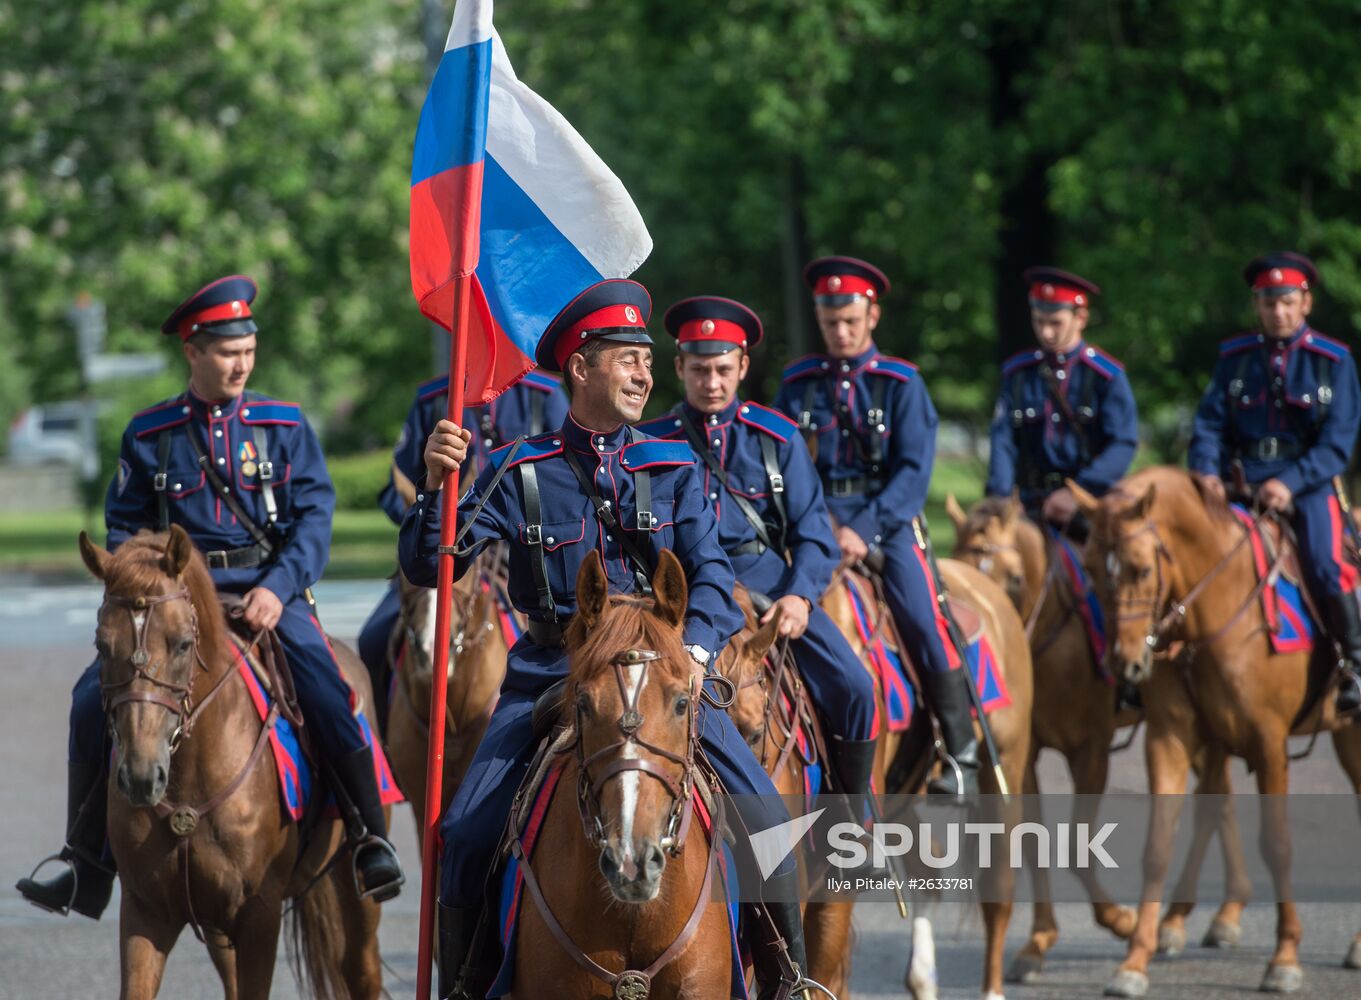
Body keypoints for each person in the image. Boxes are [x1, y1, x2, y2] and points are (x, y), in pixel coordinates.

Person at [401, 279, 807, 999]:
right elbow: (431, 562)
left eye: (646, 361)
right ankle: (467, 984)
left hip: (664, 679)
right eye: (626, 359)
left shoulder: (674, 468)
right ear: (580, 368)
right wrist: (438, 487)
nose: (644, 373)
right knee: (463, 833)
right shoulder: (518, 469)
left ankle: (785, 977)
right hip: (553, 678)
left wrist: (694, 659)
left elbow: (710, 580)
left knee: (770, 817)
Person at [16, 275, 403, 920]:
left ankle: (368, 838)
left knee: (331, 691)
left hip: (268, 601)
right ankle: (86, 863)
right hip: (175, 606)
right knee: (91, 699)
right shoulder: (150, 433)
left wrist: (278, 591)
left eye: (248, 351)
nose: (241, 364)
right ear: (193, 351)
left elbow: (314, 517)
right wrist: (157, 587)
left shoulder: (283, 426)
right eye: (228, 352)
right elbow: (124, 527)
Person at [635, 294, 880, 802]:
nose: (712, 382)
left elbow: (813, 534)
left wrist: (800, 597)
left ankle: (854, 821)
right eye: (699, 369)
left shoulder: (776, 438)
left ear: (742, 365)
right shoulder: (648, 444)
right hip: (682, 593)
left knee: (855, 687)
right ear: (679, 367)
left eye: (723, 368)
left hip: (767, 585)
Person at [772, 256, 976, 796]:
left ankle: (960, 752)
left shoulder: (901, 384)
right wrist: (813, 524)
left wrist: (861, 527)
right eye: (830, 321)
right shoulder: (798, 385)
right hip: (813, 522)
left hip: (886, 524)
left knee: (922, 620)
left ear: (872, 316)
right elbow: (778, 464)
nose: (840, 332)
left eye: (850, 321)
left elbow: (913, 474)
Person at [1188, 251, 1361, 714]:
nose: (1278, 312)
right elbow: (1208, 425)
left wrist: (1291, 481)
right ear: (1257, 306)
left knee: (1326, 565)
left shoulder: (1334, 361)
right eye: (1269, 303)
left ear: (1305, 302)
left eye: (1287, 302)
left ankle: (1354, 664)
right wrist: (1206, 470)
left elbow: (1337, 443)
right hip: (1240, 488)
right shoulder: (1234, 360)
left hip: (1308, 489)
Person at [356, 369, 566, 728]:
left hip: (519, 555)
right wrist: (430, 509)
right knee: (373, 640)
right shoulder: (433, 399)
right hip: (443, 551)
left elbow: (565, 486)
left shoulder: (543, 396)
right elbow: (396, 492)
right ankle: (385, 749)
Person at [985, 267, 1138, 539]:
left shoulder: (1106, 376)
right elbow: (1003, 440)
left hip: (1088, 505)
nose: (1045, 332)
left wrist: (1077, 492)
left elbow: (1123, 443)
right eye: (1038, 321)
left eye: (1055, 323)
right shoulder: (1018, 374)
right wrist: (1002, 494)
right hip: (1026, 506)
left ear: (1081, 318)